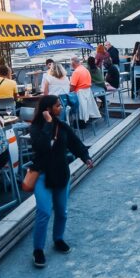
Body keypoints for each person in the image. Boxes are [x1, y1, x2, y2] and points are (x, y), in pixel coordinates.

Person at [29, 94, 93, 266]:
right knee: (43, 212)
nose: (61, 108)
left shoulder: (63, 126)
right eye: (58, 106)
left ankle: (58, 239)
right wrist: (49, 124)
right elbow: (41, 146)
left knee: (62, 212)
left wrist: (85, 157)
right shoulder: (35, 128)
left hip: (61, 174)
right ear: (48, 109)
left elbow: (75, 143)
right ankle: (38, 250)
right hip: (42, 175)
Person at [69, 55, 101, 125]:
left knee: (69, 102)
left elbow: (72, 87)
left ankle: (74, 121)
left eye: (71, 64)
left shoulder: (76, 72)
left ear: (73, 64)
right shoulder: (85, 70)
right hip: (87, 91)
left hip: (80, 92)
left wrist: (68, 90)